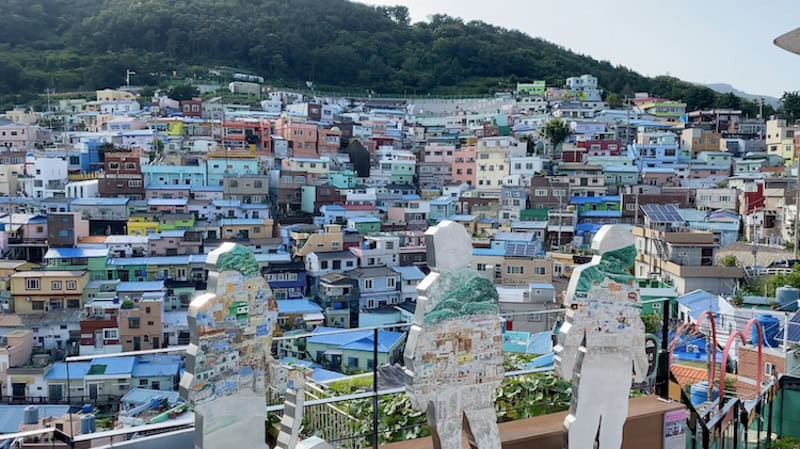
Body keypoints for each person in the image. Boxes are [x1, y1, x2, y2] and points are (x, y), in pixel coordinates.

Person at [554, 225, 648, 449]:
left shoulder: (589, 277)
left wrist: (564, 361)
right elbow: (637, 329)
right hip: (619, 361)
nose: (635, 255)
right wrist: (641, 365)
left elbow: (574, 322)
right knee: (612, 418)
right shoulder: (629, 284)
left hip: (596, 360)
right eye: (631, 250)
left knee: (590, 414)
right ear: (621, 252)